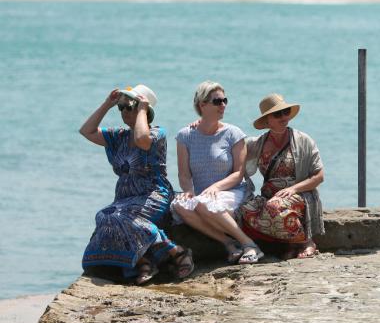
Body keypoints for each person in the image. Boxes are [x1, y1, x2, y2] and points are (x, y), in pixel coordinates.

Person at [79, 85, 193, 285]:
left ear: (144, 110)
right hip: (125, 199)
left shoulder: (157, 133)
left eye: (128, 107)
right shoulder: (118, 136)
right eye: (121, 108)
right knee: (104, 215)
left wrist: (141, 108)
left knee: (116, 216)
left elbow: (142, 140)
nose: (124, 112)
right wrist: (107, 104)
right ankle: (157, 255)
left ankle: (163, 256)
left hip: (153, 195)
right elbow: (86, 131)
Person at [171, 81, 264, 264]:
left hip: (233, 191)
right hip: (203, 196)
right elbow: (184, 174)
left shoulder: (233, 133)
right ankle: (229, 243)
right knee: (179, 205)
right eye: (217, 101)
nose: (223, 105)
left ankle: (250, 244)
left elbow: (238, 173)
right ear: (202, 105)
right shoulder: (185, 136)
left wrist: (215, 187)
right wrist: (188, 191)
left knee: (204, 202)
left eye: (224, 100)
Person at [238, 93, 325, 259]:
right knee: (244, 210)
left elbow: (319, 176)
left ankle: (306, 241)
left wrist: (293, 189)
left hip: (300, 194)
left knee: (273, 207)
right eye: (277, 114)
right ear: (267, 121)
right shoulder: (257, 144)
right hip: (270, 197)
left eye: (286, 112)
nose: (284, 117)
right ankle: (288, 242)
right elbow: (231, 145)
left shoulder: (303, 140)